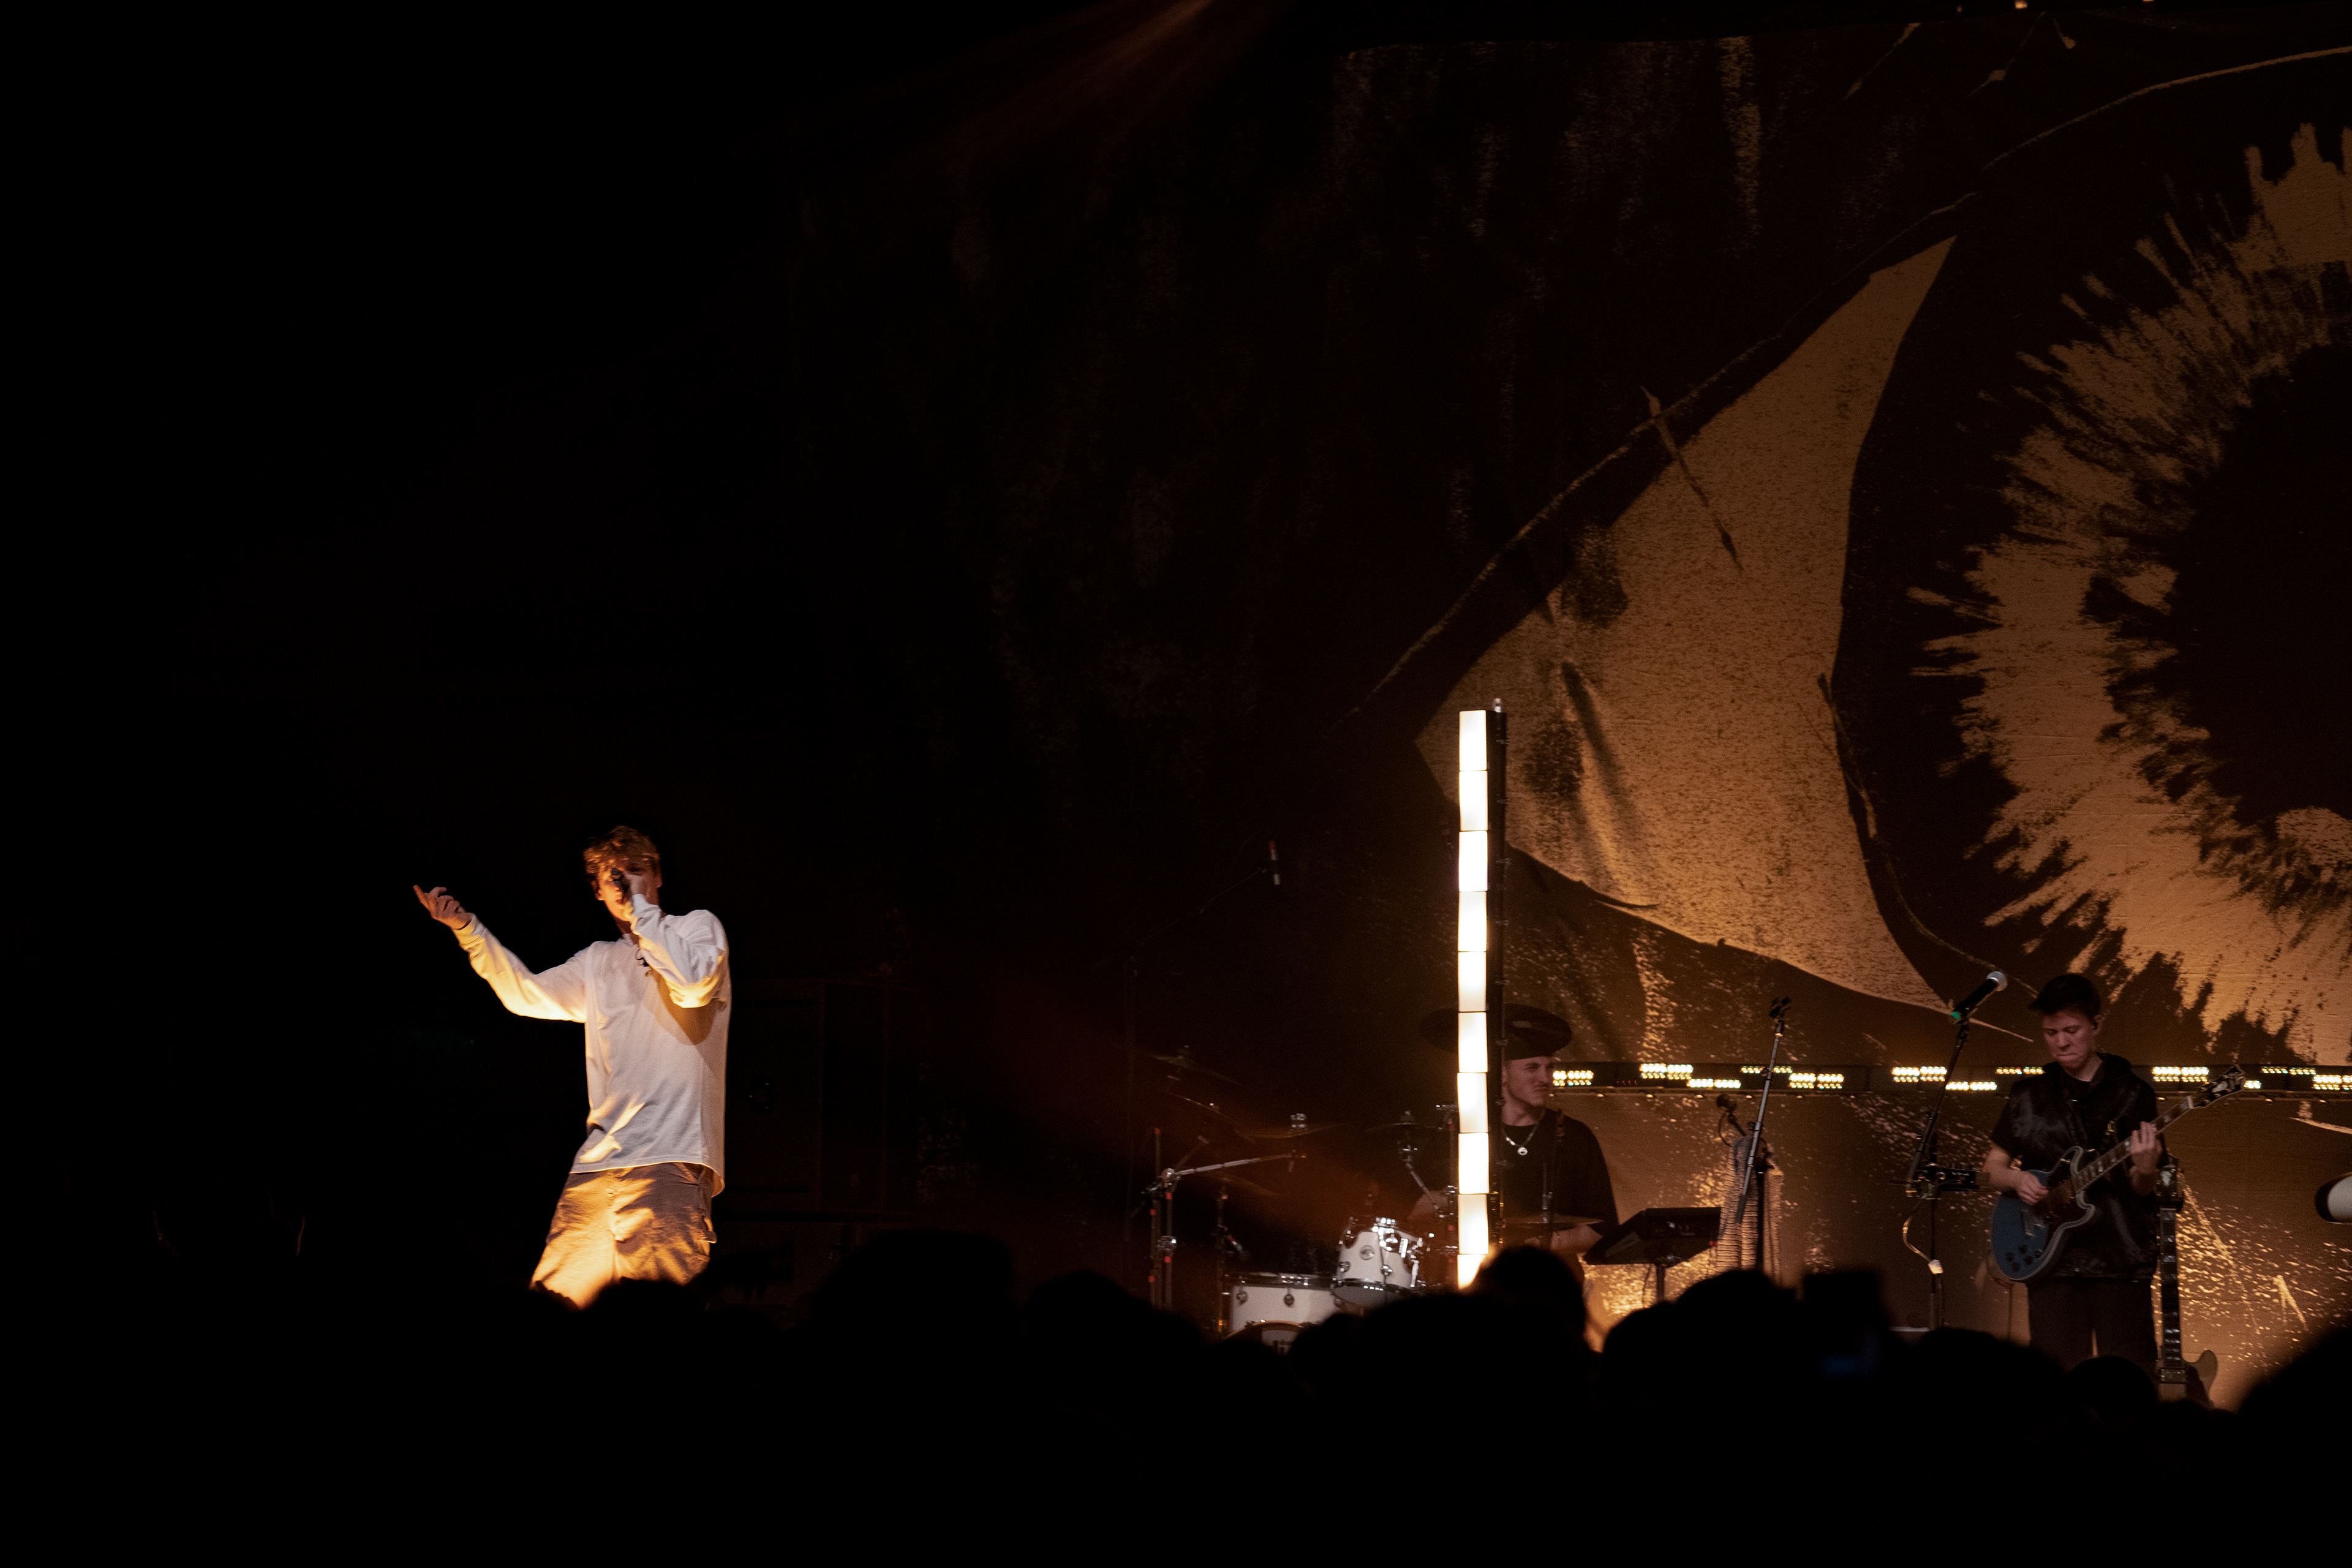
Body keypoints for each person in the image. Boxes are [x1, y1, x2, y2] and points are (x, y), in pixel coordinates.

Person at [412, 825, 730, 1305]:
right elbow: (526, 995)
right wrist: (469, 931)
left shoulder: (695, 928)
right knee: (553, 1307)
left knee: (661, 1321)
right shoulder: (597, 960)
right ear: (597, 890)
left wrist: (643, 913)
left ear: (658, 877)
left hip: (669, 1155)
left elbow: (691, 986)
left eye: (635, 871)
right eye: (612, 876)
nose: (624, 883)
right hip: (598, 1164)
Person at [1980, 973, 2162, 1374]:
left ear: (2097, 1024)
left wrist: (2147, 1169)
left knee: (2127, 1379)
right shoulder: (2029, 1095)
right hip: (2049, 1261)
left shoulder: (2132, 1093)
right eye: (2051, 1033)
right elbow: (1991, 1169)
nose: (2061, 1042)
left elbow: (2142, 1186)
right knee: (2055, 1384)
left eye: (2071, 1031)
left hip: (2119, 1260)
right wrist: (2017, 1180)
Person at [1412, 1005, 1619, 1275]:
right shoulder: (1462, 1132)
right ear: (1503, 1073)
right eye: (1532, 1068)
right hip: (1472, 1273)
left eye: (1550, 1068)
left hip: (1548, 1279)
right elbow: (1415, 1209)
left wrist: (1543, 1245)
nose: (1545, 1078)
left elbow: (1603, 1229)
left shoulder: (1575, 1136)